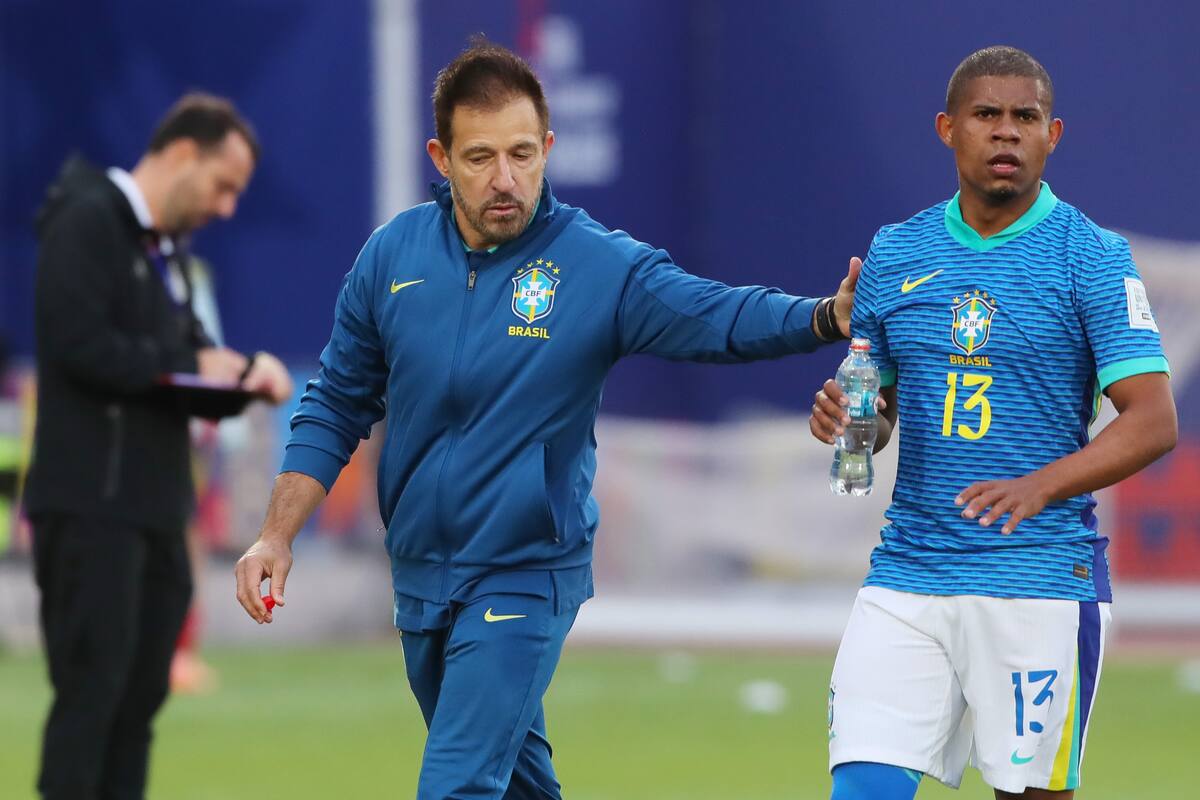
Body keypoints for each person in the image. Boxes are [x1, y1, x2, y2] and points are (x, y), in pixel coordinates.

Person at [234, 39, 859, 800]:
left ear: (549, 148)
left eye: (524, 154)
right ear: (440, 156)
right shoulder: (391, 257)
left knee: (457, 786)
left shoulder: (597, 265)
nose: (506, 179)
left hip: (525, 573)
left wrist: (825, 317)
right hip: (423, 577)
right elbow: (335, 403)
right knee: (522, 786)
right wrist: (276, 533)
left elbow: (718, 315)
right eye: (481, 157)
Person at [809, 46, 1177, 800]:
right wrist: (851, 418)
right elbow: (874, 410)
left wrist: (1040, 486)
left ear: (1054, 135)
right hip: (907, 575)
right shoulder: (894, 252)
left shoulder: (1093, 257)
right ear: (948, 129)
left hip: (1038, 580)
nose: (1006, 133)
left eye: (1025, 117)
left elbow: (1153, 420)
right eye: (987, 116)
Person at [24, 92, 293, 800]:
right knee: (91, 701)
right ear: (181, 155)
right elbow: (73, 342)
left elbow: (184, 358)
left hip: (153, 510)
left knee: (138, 707)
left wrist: (239, 376)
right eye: (222, 185)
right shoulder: (86, 220)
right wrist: (185, 364)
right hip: (90, 507)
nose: (226, 207)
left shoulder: (165, 250)